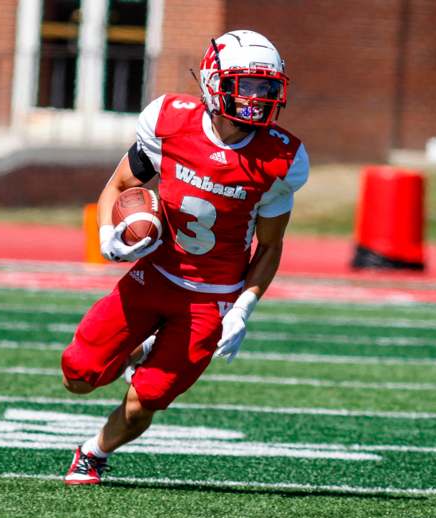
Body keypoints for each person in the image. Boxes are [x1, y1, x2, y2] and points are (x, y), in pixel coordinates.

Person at [60, 29, 309, 485]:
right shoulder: (170, 120)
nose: (257, 97)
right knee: (77, 374)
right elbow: (120, 187)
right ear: (214, 81)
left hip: (210, 299)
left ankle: (92, 453)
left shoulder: (282, 157)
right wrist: (106, 235)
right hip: (153, 275)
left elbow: (270, 245)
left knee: (146, 399)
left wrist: (242, 310)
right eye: (247, 84)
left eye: (266, 86)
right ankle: (139, 346)